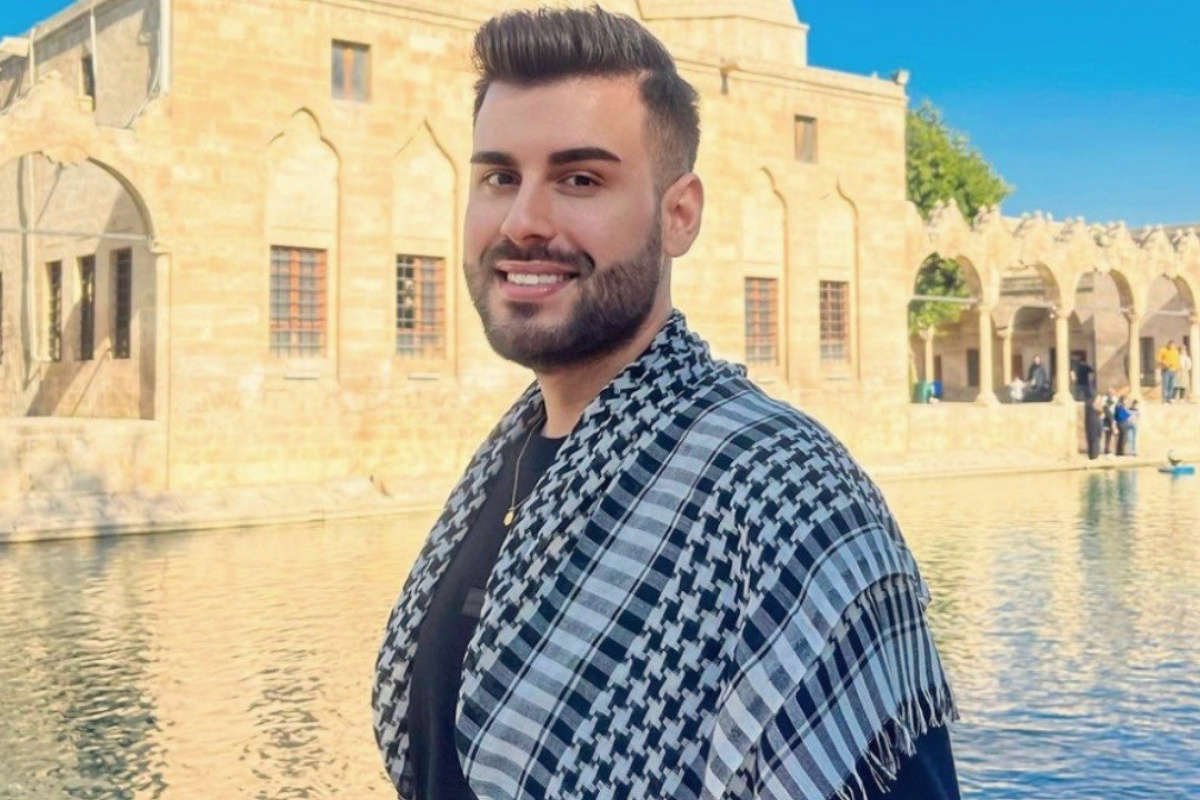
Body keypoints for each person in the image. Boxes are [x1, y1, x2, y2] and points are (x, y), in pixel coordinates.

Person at [372, 8, 959, 800]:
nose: (522, 222)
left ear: (678, 215)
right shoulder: (509, 459)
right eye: (500, 177)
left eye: (580, 180)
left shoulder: (785, 494)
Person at [1086, 393, 1104, 459]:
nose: (1099, 400)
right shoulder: (1091, 404)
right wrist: (1100, 404)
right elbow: (1100, 410)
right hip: (1093, 425)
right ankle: (1093, 455)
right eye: (1098, 398)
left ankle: (1095, 455)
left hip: (1096, 425)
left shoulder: (1092, 404)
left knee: (1096, 440)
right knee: (1094, 440)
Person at [1101, 388, 1118, 455]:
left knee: (1111, 434)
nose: (1111, 394)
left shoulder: (1115, 399)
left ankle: (1111, 449)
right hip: (1106, 417)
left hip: (1113, 417)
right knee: (1107, 433)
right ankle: (1106, 449)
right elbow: (1104, 407)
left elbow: (1115, 407)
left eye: (1112, 393)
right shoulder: (1104, 398)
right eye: (1110, 393)